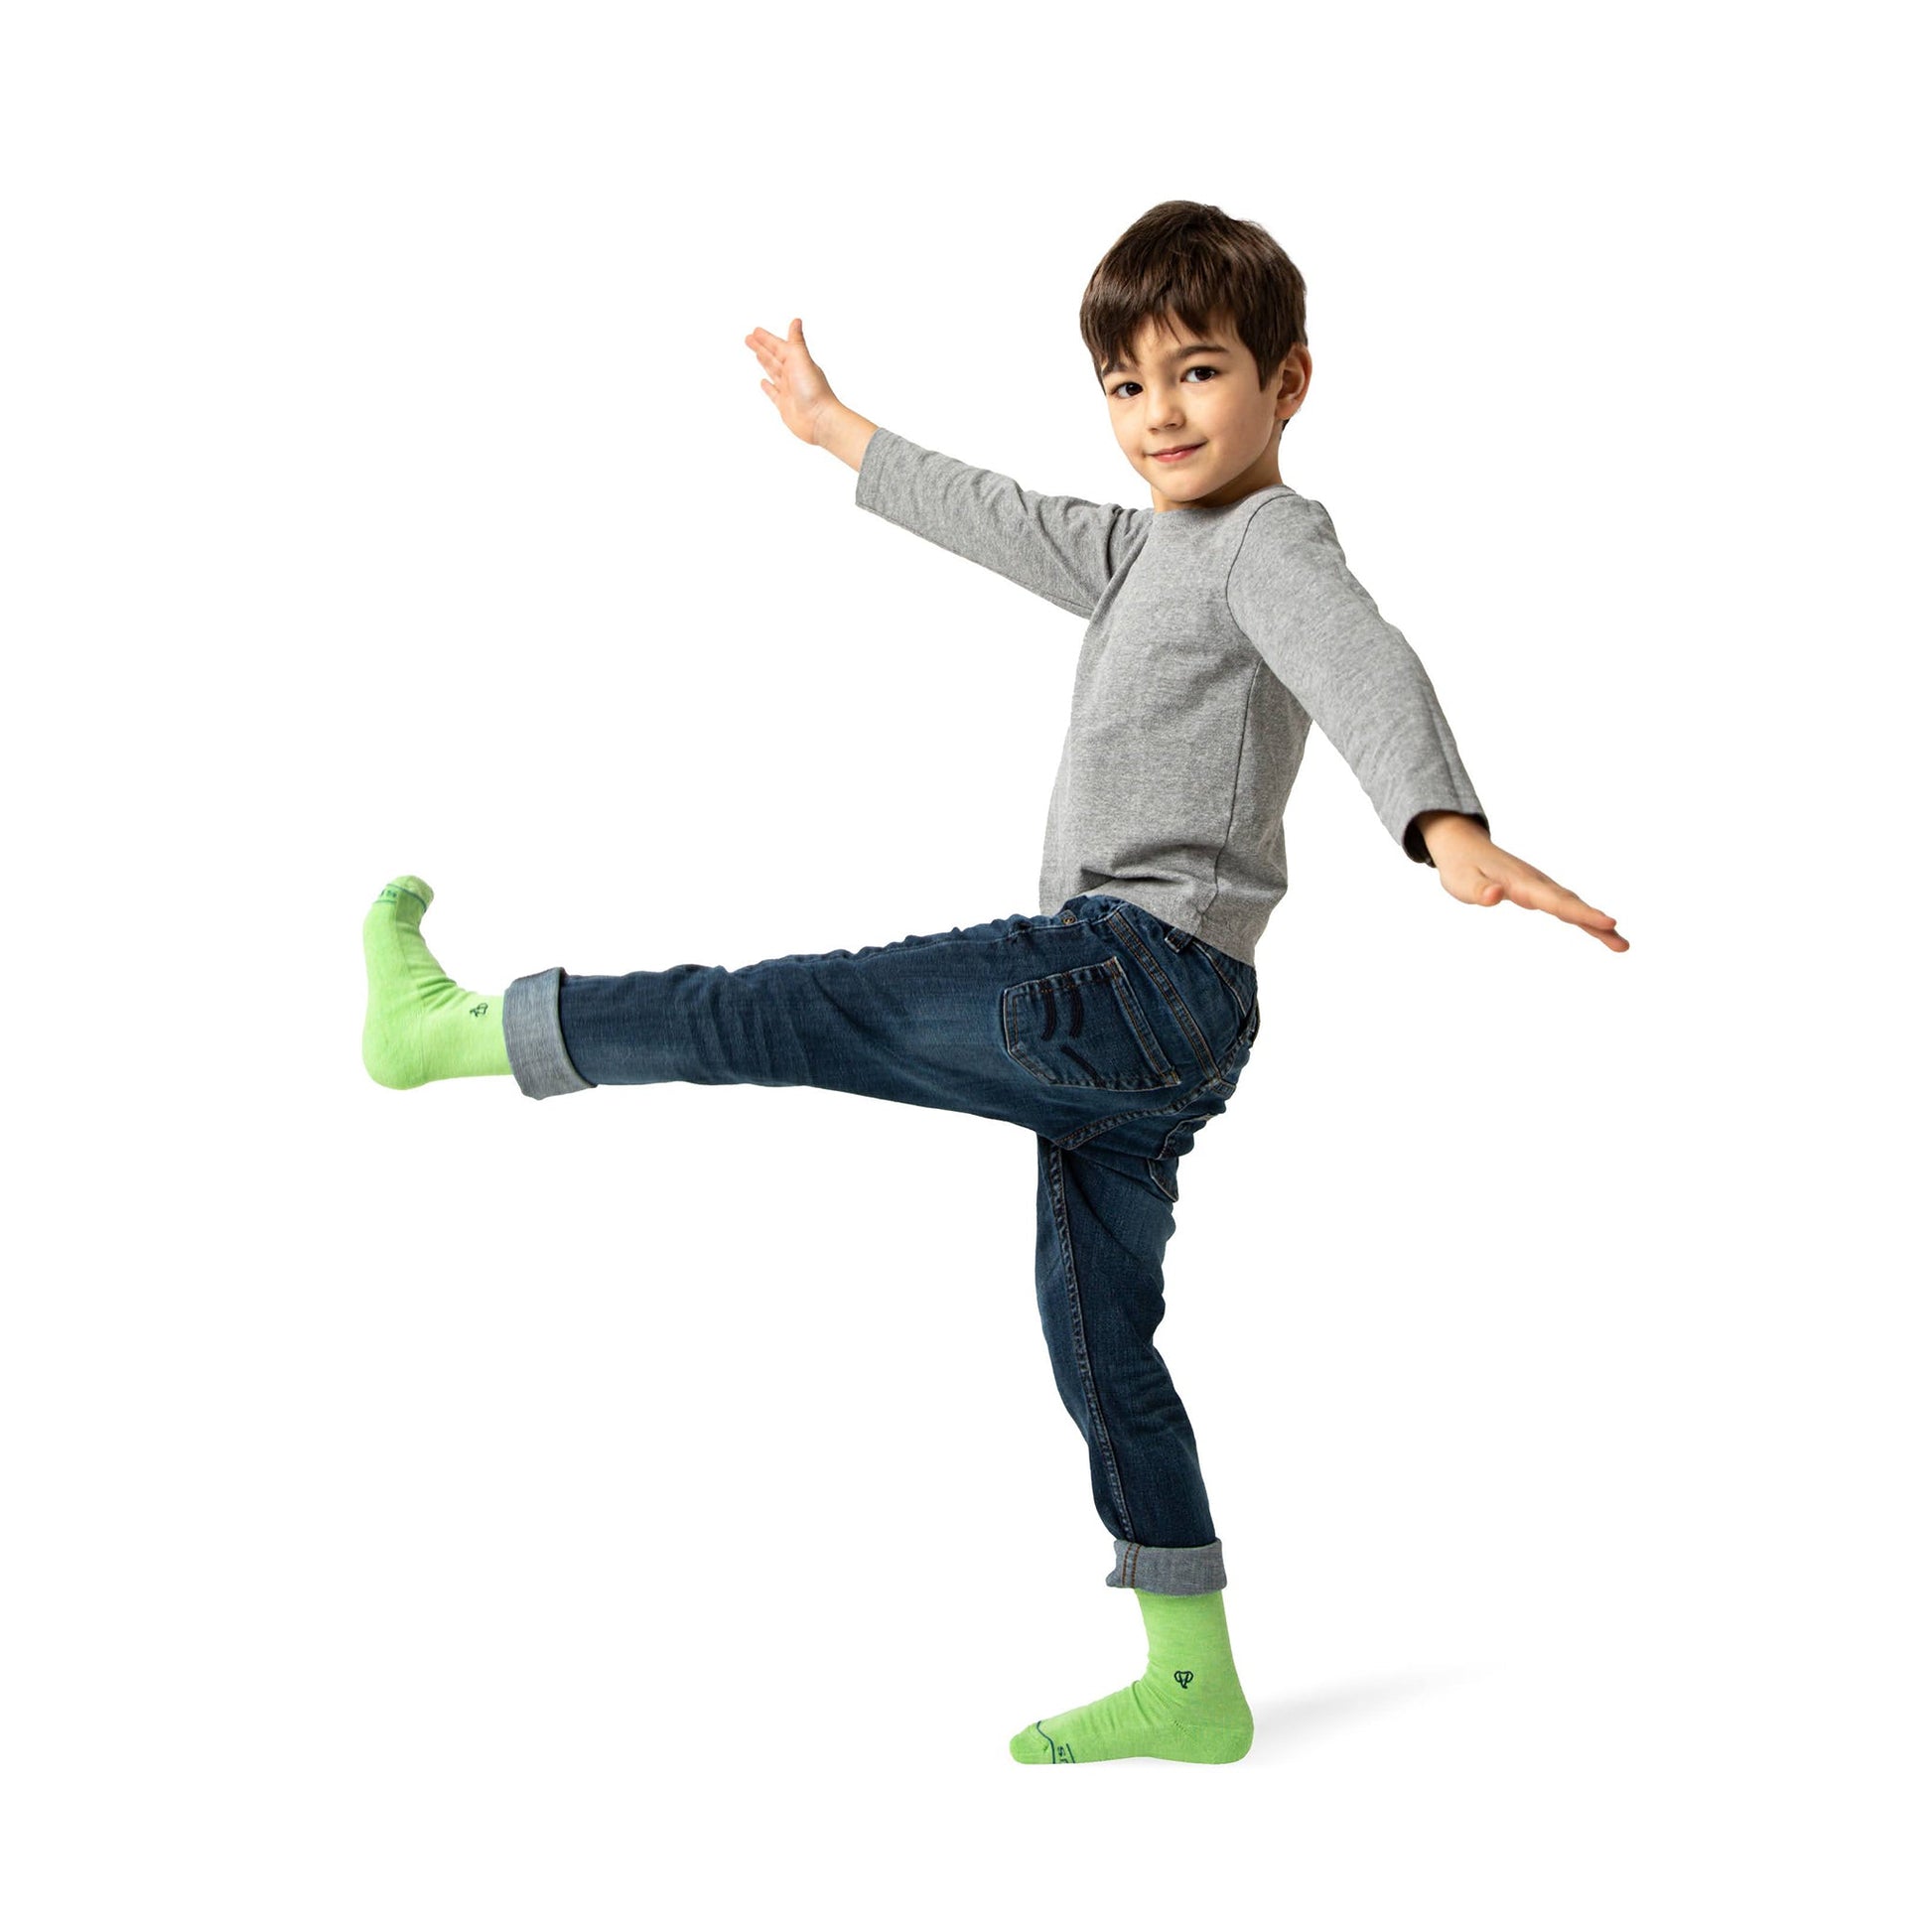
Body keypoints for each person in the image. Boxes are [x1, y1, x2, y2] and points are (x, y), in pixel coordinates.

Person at [359, 200, 1628, 1767]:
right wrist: (836, 430)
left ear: (1287, 384)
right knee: (1100, 1337)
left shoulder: (1270, 542)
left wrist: (1442, 825)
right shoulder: (1138, 548)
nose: (1157, 414)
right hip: (1165, 1023)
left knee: (783, 1008)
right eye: (1123, 385)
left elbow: (1359, 655)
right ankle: (1192, 1680)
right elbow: (996, 511)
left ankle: (462, 1032)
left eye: (1198, 373)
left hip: (1119, 975)